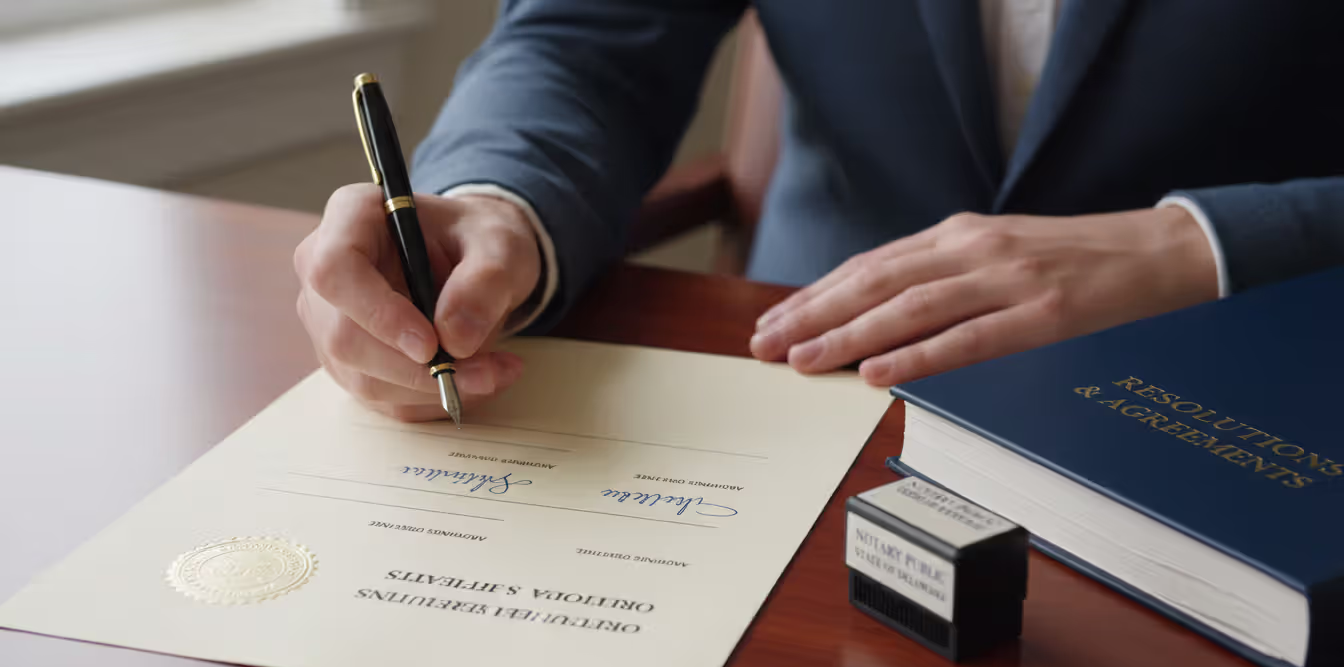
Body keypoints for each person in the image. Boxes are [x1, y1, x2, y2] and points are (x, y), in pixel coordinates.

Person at [293, 0, 1344, 422]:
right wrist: (495, 204)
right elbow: (584, 37)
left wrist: (1199, 245)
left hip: (1253, 393)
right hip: (803, 384)